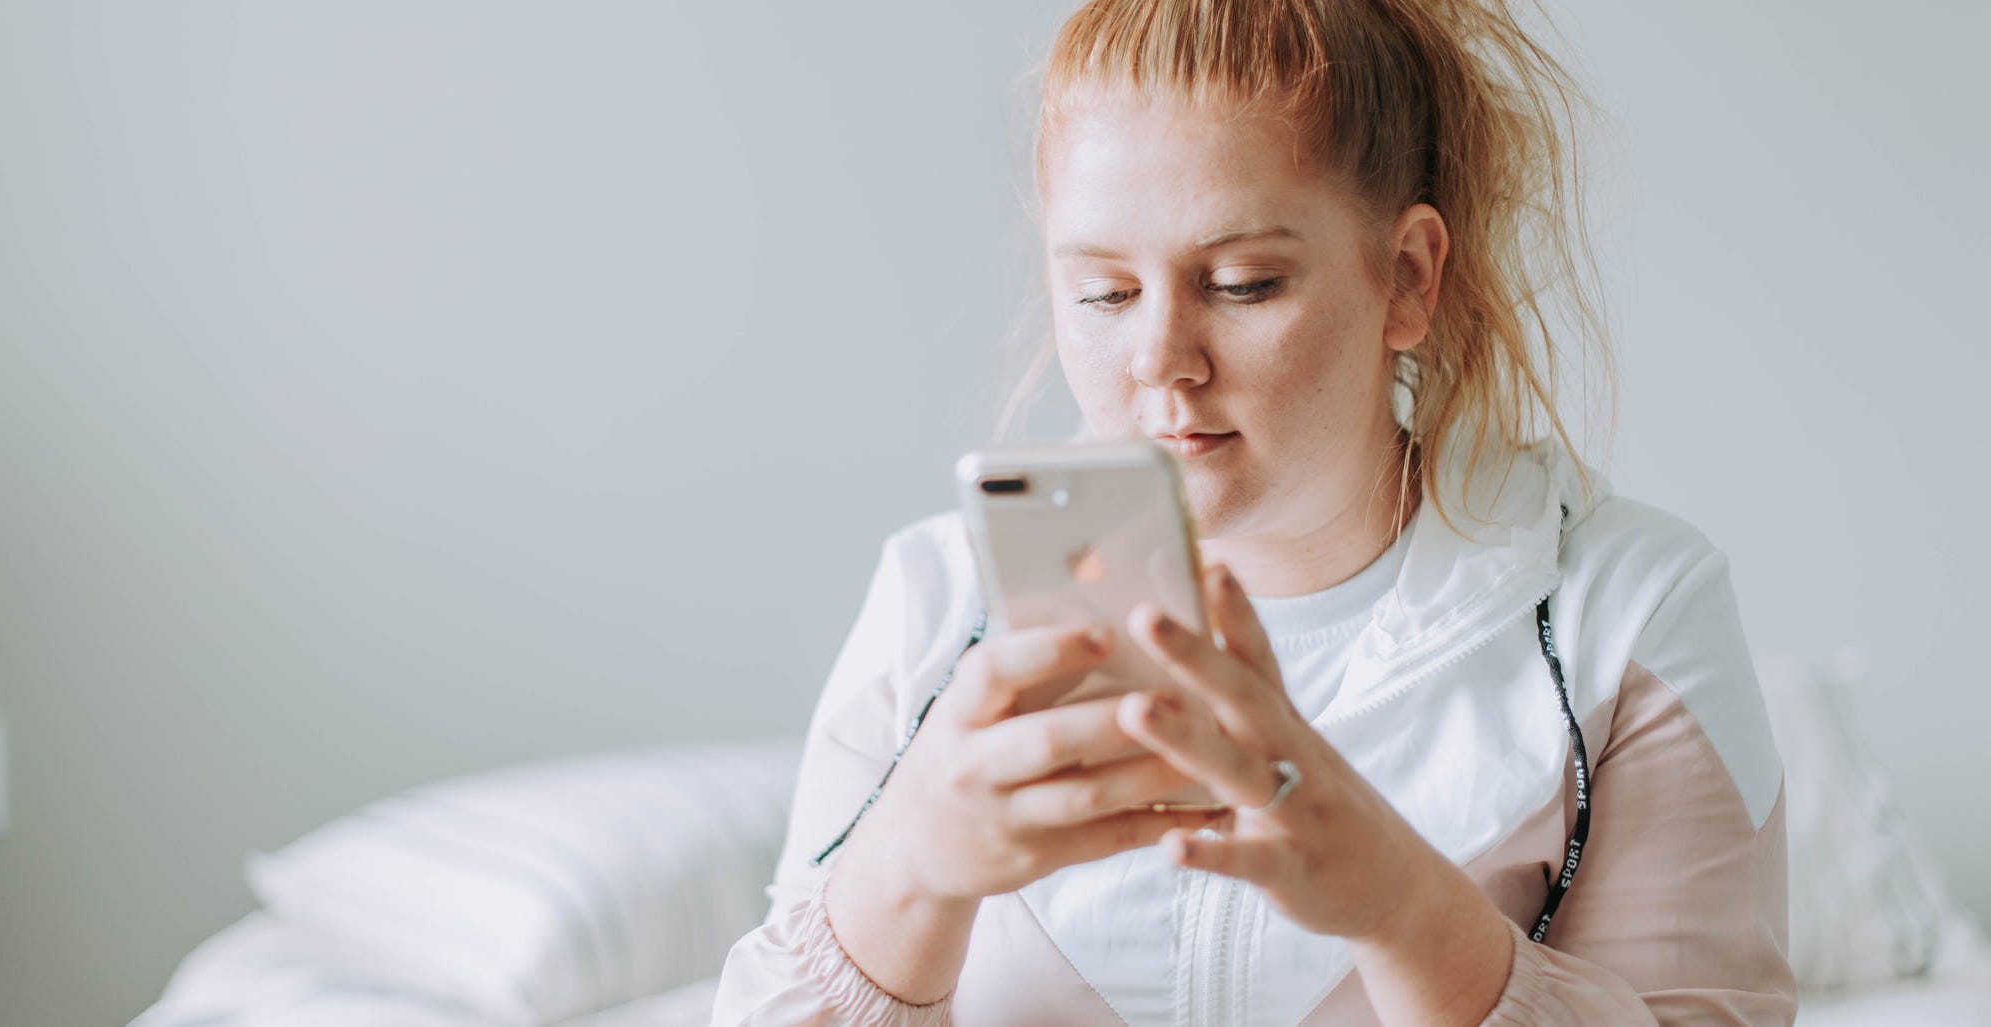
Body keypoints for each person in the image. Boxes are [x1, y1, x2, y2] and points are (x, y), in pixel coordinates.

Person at [712, 0, 1796, 1023]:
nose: (1158, 361)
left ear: (1407, 277)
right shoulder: (937, 604)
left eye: (1239, 283)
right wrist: (907, 871)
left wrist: (1398, 905)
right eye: (1102, 292)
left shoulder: (1628, 616)